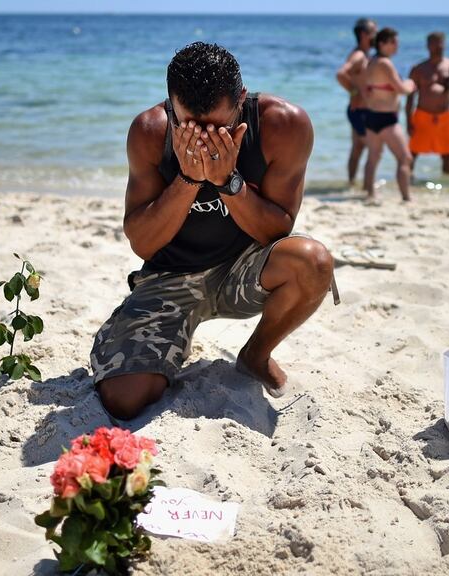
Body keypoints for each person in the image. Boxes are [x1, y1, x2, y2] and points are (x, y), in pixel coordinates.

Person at [89, 42, 334, 420]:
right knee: (125, 399)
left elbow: (277, 230)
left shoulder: (283, 124)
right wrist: (188, 180)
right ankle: (154, 338)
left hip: (244, 268)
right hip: (169, 276)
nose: (204, 137)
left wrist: (227, 182)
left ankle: (255, 354)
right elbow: (143, 243)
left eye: (218, 127)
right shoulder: (150, 130)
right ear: (172, 104)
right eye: (189, 125)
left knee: (313, 261)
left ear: (240, 98)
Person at [363, 27, 417, 202]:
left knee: (373, 158)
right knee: (405, 157)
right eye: (393, 42)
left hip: (371, 115)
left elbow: (365, 88)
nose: (396, 46)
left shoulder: (371, 61)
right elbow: (401, 89)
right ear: (382, 43)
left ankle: (370, 194)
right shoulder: (385, 63)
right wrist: (411, 83)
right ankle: (406, 197)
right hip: (386, 119)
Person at [406, 32, 449, 176]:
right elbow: (410, 98)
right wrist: (408, 121)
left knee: (447, 156)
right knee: (412, 154)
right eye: (434, 43)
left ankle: (448, 187)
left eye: (441, 42)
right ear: (427, 46)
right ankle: (407, 182)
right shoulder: (419, 69)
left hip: (444, 117)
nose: (438, 46)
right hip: (422, 116)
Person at [336, 18, 378, 187]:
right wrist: (354, 91)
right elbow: (341, 73)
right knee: (372, 149)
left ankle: (352, 184)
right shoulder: (359, 54)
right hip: (360, 111)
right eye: (374, 32)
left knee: (358, 149)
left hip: (361, 111)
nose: (377, 35)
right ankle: (368, 187)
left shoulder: (366, 54)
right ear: (364, 34)